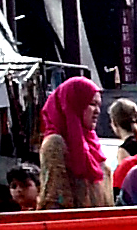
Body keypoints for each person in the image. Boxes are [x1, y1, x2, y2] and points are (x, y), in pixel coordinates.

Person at [36, 76, 111, 210]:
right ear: (74, 104)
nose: (97, 111)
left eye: (99, 105)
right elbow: (54, 198)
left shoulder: (92, 143)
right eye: (91, 104)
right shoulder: (55, 144)